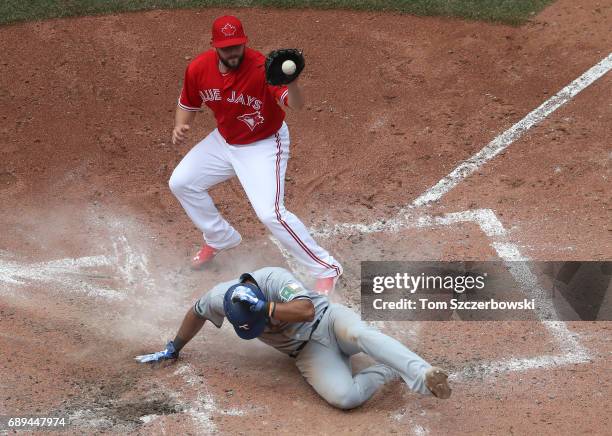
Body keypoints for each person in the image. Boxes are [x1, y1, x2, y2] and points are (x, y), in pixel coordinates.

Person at [168, 15, 341, 293]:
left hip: (263, 144)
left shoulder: (262, 68)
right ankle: (219, 236)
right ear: (215, 46)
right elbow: (187, 102)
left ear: (244, 42)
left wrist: (293, 83)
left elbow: (296, 105)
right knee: (181, 182)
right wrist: (180, 124)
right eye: (226, 48)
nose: (233, 52)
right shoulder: (199, 69)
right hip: (224, 142)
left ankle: (326, 268)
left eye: (237, 46)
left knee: (271, 214)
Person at [135, 267, 452, 410]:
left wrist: (269, 308)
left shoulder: (273, 278)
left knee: (360, 333)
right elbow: (196, 311)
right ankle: (387, 369)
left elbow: (304, 310)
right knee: (345, 399)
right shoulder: (220, 298)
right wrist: (173, 347)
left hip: (330, 322)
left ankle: (423, 375)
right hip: (308, 353)